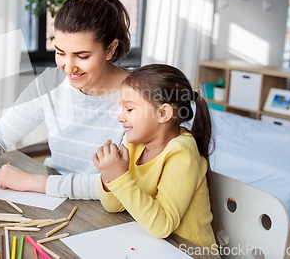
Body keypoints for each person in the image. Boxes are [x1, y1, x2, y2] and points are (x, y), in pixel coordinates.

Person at [0, 0, 131, 200]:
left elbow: (118, 183)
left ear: (110, 49)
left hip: (109, 212)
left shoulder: (138, 96)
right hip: (53, 198)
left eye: (82, 56)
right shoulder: (50, 83)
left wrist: (29, 182)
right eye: (60, 52)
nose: (69, 68)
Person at [93, 64, 218, 253]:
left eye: (130, 109)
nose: (120, 117)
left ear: (163, 113)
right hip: (153, 246)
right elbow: (113, 206)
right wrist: (107, 175)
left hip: (191, 252)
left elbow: (163, 226)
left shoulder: (182, 153)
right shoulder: (134, 144)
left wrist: (119, 177)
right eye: (122, 109)